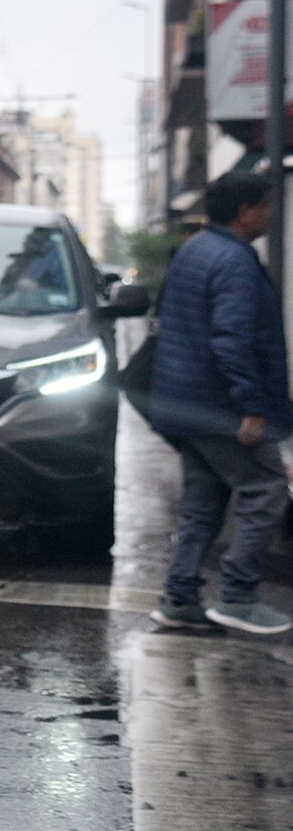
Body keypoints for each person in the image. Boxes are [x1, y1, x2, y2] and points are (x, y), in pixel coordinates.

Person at [149, 171, 292, 635]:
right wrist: (251, 408)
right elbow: (231, 341)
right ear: (245, 211)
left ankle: (179, 597)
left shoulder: (194, 251)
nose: (270, 215)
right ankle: (238, 596)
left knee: (203, 504)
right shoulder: (234, 261)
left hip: (184, 404)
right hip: (220, 407)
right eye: (266, 206)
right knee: (265, 489)